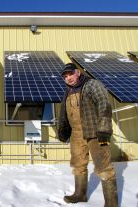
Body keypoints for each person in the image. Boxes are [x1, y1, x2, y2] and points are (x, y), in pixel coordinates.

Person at [58, 63, 118, 206]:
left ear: (78, 72)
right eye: (65, 77)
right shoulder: (68, 91)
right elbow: (65, 114)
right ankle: (80, 194)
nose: (68, 78)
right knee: (78, 164)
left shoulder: (92, 85)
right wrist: (63, 130)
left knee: (104, 166)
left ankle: (111, 203)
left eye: (70, 74)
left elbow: (104, 105)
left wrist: (104, 129)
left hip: (96, 133)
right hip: (76, 135)